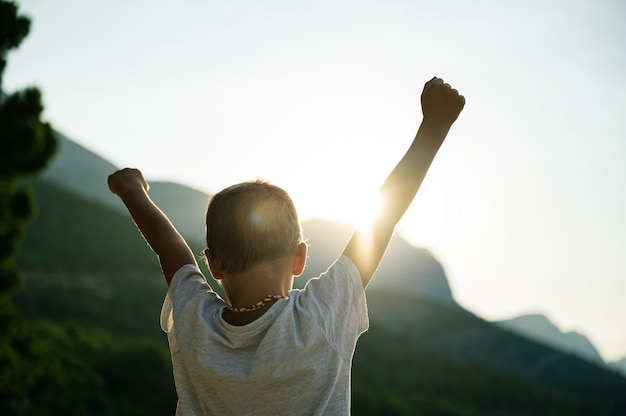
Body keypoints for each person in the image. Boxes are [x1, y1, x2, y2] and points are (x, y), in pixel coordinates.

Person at [108, 76, 465, 415]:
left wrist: (132, 191)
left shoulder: (194, 322)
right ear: (299, 258)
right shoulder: (320, 315)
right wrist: (434, 126)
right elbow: (383, 217)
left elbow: (169, 248)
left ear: (213, 264)